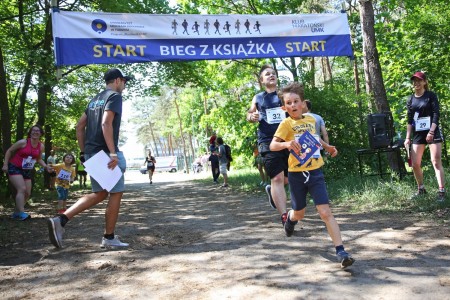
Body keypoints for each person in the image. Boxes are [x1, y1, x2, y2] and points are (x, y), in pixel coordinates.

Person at [270, 82, 355, 268]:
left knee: (325, 212)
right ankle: (290, 221)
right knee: (299, 213)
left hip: (315, 171)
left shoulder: (311, 120)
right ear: (284, 107)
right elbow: (272, 145)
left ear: (303, 104)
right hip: (296, 175)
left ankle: (341, 251)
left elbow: (315, 139)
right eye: (289, 103)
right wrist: (286, 144)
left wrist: (328, 147)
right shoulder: (286, 124)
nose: (293, 105)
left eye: (296, 101)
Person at [47, 68, 132, 249]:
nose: (124, 85)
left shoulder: (95, 100)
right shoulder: (114, 97)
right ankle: (108, 238)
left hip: (92, 153)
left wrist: (84, 153)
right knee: (116, 192)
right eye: (124, 82)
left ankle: (61, 220)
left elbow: (79, 126)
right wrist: (113, 153)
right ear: (118, 80)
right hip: (105, 154)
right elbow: (106, 123)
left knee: (100, 193)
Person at [246, 64, 289, 222]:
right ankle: (284, 216)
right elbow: (250, 114)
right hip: (267, 141)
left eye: (273, 73)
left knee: (289, 178)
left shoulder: (284, 94)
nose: (272, 75)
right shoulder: (258, 97)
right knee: (277, 178)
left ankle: (272, 192)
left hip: (288, 140)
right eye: (268, 74)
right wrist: (251, 117)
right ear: (262, 80)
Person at [404, 71, 445, 202]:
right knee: (415, 164)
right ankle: (421, 189)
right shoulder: (410, 99)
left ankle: (441, 191)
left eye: (419, 80)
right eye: (414, 81)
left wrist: (432, 131)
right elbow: (410, 120)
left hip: (432, 131)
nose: (416, 83)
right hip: (418, 133)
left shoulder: (430, 96)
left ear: (424, 82)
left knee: (436, 161)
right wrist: (407, 138)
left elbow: (436, 114)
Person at [2, 124, 54, 220]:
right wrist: (5, 164)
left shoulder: (40, 146)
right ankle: (21, 213)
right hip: (14, 167)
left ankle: (17, 212)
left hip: (26, 169)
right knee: (21, 189)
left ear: (40, 133)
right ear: (30, 133)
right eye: (33, 130)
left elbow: (38, 159)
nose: (35, 132)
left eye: (37, 131)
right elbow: (9, 150)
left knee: (27, 193)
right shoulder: (23, 142)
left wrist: (46, 167)